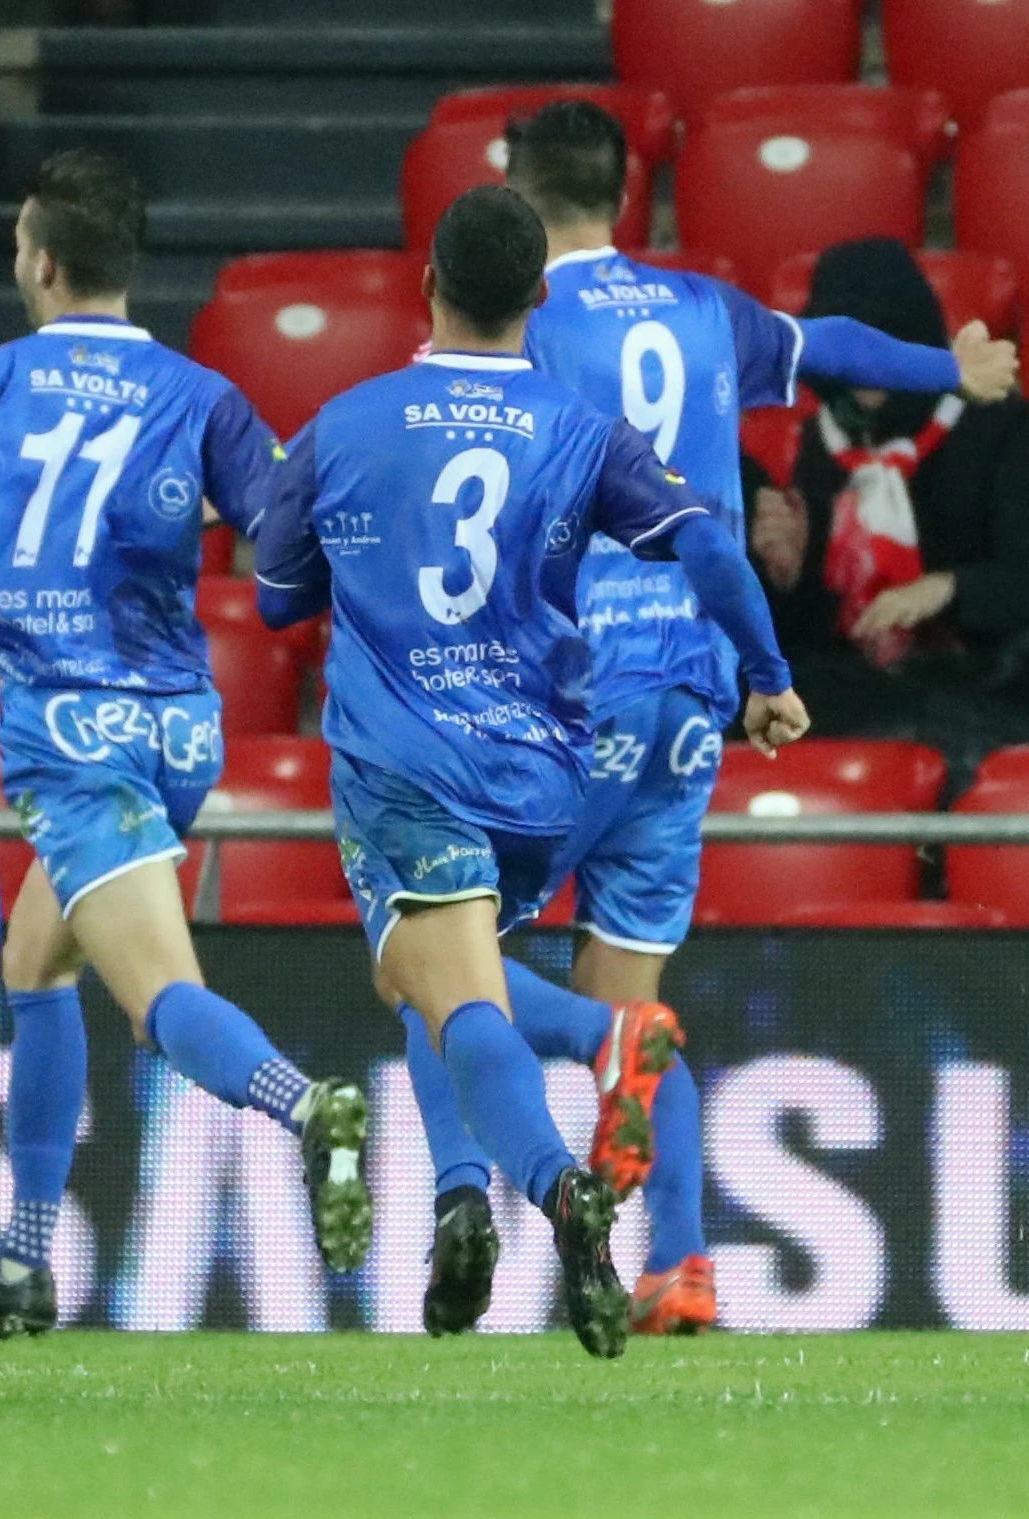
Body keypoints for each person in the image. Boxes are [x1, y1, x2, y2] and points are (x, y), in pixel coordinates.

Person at [395, 105, 1022, 1342]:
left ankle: (479, 1192)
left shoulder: (515, 328)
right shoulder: (701, 310)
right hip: (689, 703)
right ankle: (678, 1263)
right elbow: (835, 342)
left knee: (438, 965)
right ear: (630, 195)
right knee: (630, 1007)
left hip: (560, 699)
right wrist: (956, 369)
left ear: (515, 197)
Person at [249, 185, 810, 1360]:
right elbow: (707, 537)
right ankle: (467, 1195)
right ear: (538, 297)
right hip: (539, 779)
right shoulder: (576, 427)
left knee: (448, 992)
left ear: (426, 286)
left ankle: (559, 1173)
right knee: (447, 987)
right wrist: (765, 666)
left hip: (412, 769)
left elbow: (275, 593)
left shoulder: (345, 424)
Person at [0, 149, 372, 1340]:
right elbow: (282, 541)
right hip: (180, 723)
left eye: (18, 246)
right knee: (34, 965)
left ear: (44, 263)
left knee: (155, 994)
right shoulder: (201, 395)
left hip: (67, 733)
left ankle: (309, 1110)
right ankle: (32, 1261)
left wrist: (9, 577)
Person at [747, 237, 1029, 787]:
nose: (867, 371)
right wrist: (788, 575)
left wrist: (946, 589)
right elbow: (816, 634)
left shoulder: (1001, 427)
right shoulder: (819, 443)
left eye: (887, 345)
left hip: (988, 672)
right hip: (870, 684)